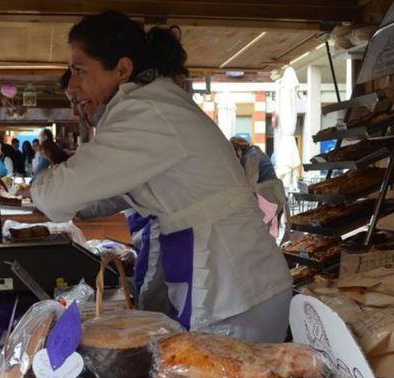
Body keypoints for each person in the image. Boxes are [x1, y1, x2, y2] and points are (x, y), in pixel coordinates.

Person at [32, 11, 292, 343]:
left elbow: (56, 197)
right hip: (230, 283)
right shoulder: (151, 104)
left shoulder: (146, 111)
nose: (72, 84)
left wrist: (38, 186)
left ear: (122, 70)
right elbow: (105, 196)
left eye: (80, 70)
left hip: (236, 290)